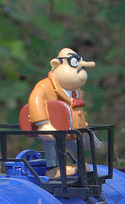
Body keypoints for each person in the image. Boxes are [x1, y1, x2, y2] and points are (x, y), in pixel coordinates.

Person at [27, 47, 95, 179]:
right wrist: (43, 123)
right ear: (55, 65)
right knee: (52, 145)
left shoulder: (75, 91)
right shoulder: (45, 86)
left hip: (72, 129)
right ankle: (53, 168)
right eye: (74, 63)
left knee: (76, 144)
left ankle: (78, 164)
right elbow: (35, 100)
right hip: (54, 127)